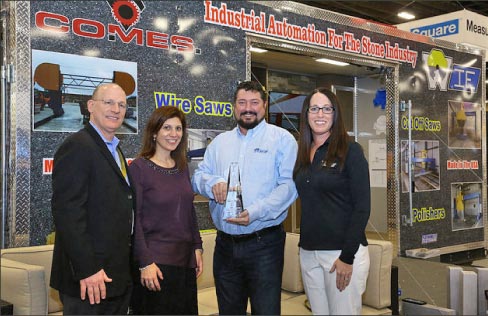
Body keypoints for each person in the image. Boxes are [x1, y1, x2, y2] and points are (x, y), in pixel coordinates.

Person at [192, 80, 298, 315]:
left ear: (265, 105)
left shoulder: (282, 140)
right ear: (234, 106)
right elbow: (198, 176)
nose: (247, 108)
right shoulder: (219, 143)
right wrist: (212, 184)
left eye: (254, 102)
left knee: (266, 310)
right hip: (225, 247)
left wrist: (256, 212)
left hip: (264, 246)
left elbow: (288, 187)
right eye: (242, 102)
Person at [50, 83, 134, 315]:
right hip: (88, 280)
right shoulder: (77, 146)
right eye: (108, 102)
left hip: (113, 276)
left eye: (122, 105)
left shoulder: (115, 149)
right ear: (91, 106)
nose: (116, 109)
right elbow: (67, 213)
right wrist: (88, 269)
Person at [293, 88, 371, 315]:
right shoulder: (302, 151)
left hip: (341, 254)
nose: (320, 114)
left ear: (335, 114)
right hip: (308, 252)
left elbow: (362, 208)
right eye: (314, 108)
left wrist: (347, 257)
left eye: (327, 109)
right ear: (306, 114)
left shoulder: (351, 150)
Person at [129, 106, 203, 315]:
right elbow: (135, 220)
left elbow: (189, 211)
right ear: (154, 132)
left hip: (185, 262)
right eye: (167, 128)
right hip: (156, 265)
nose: (173, 134)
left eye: (178, 129)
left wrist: (197, 247)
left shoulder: (181, 167)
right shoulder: (139, 168)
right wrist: (145, 262)